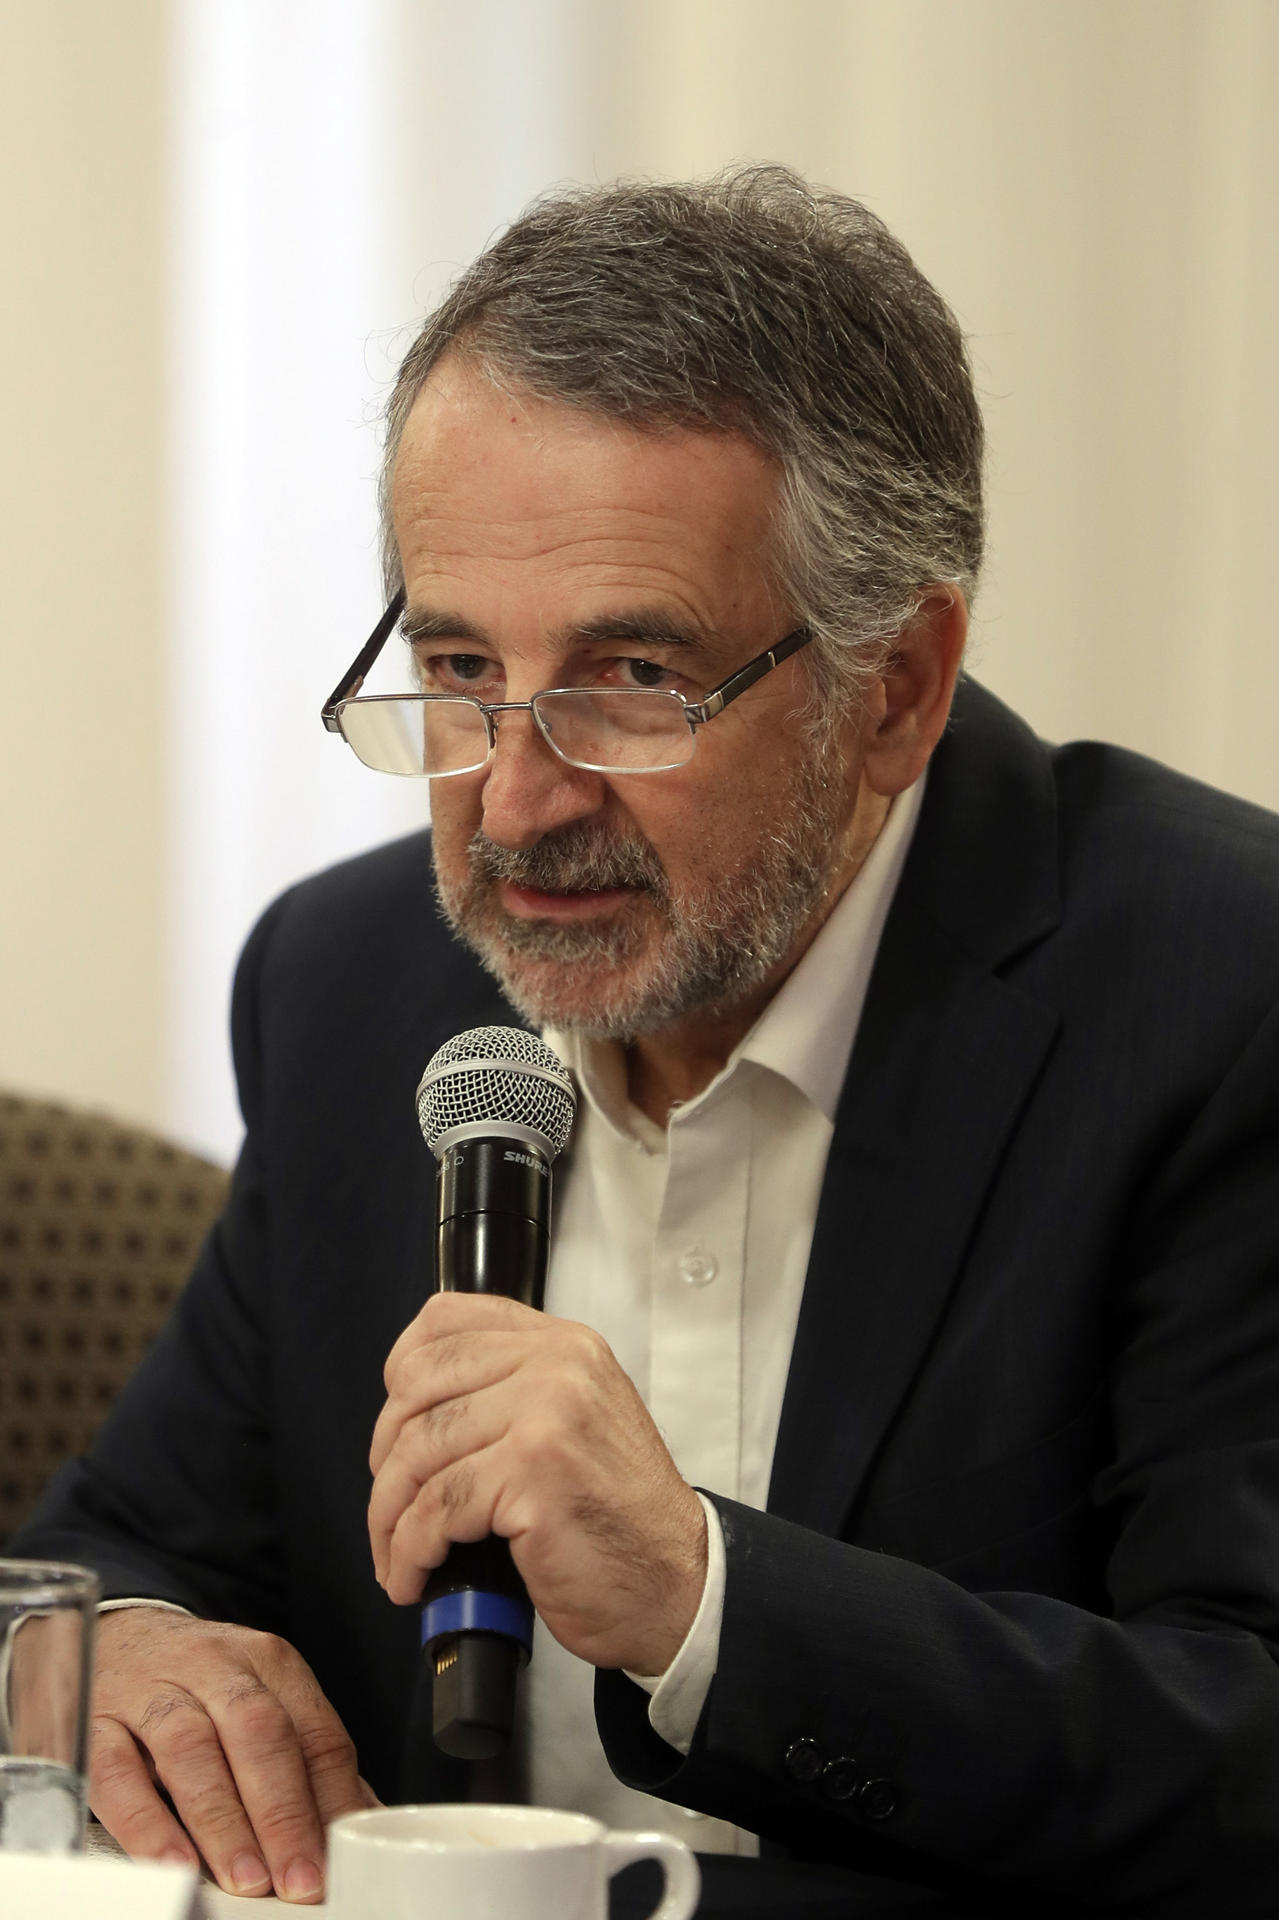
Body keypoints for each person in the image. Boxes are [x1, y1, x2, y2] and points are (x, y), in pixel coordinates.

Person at [14, 167, 1279, 1914]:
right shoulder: (350, 985)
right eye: (458, 670)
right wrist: (127, 1659)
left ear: (895, 687)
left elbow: (1248, 1759)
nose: (518, 803)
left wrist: (705, 1600)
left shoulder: (1220, 998)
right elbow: (116, 1547)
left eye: (629, 681)